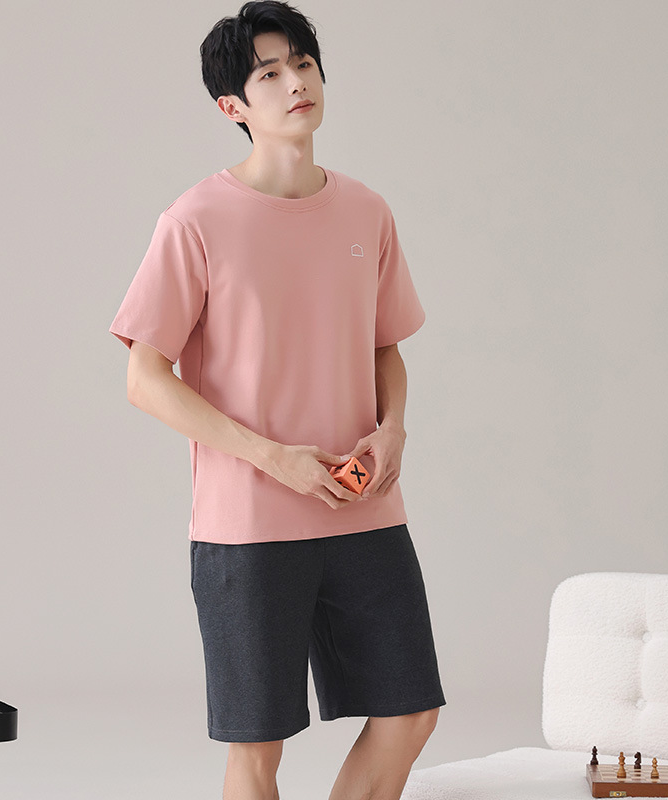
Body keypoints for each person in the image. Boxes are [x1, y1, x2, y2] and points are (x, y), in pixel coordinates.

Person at [109, 2, 446, 798]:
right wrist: (272, 458)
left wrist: (394, 429)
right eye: (270, 74)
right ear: (232, 105)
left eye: (303, 64)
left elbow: (384, 348)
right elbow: (145, 378)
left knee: (410, 714)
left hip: (364, 510)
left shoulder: (366, 211)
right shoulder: (194, 221)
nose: (296, 83)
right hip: (249, 526)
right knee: (258, 750)